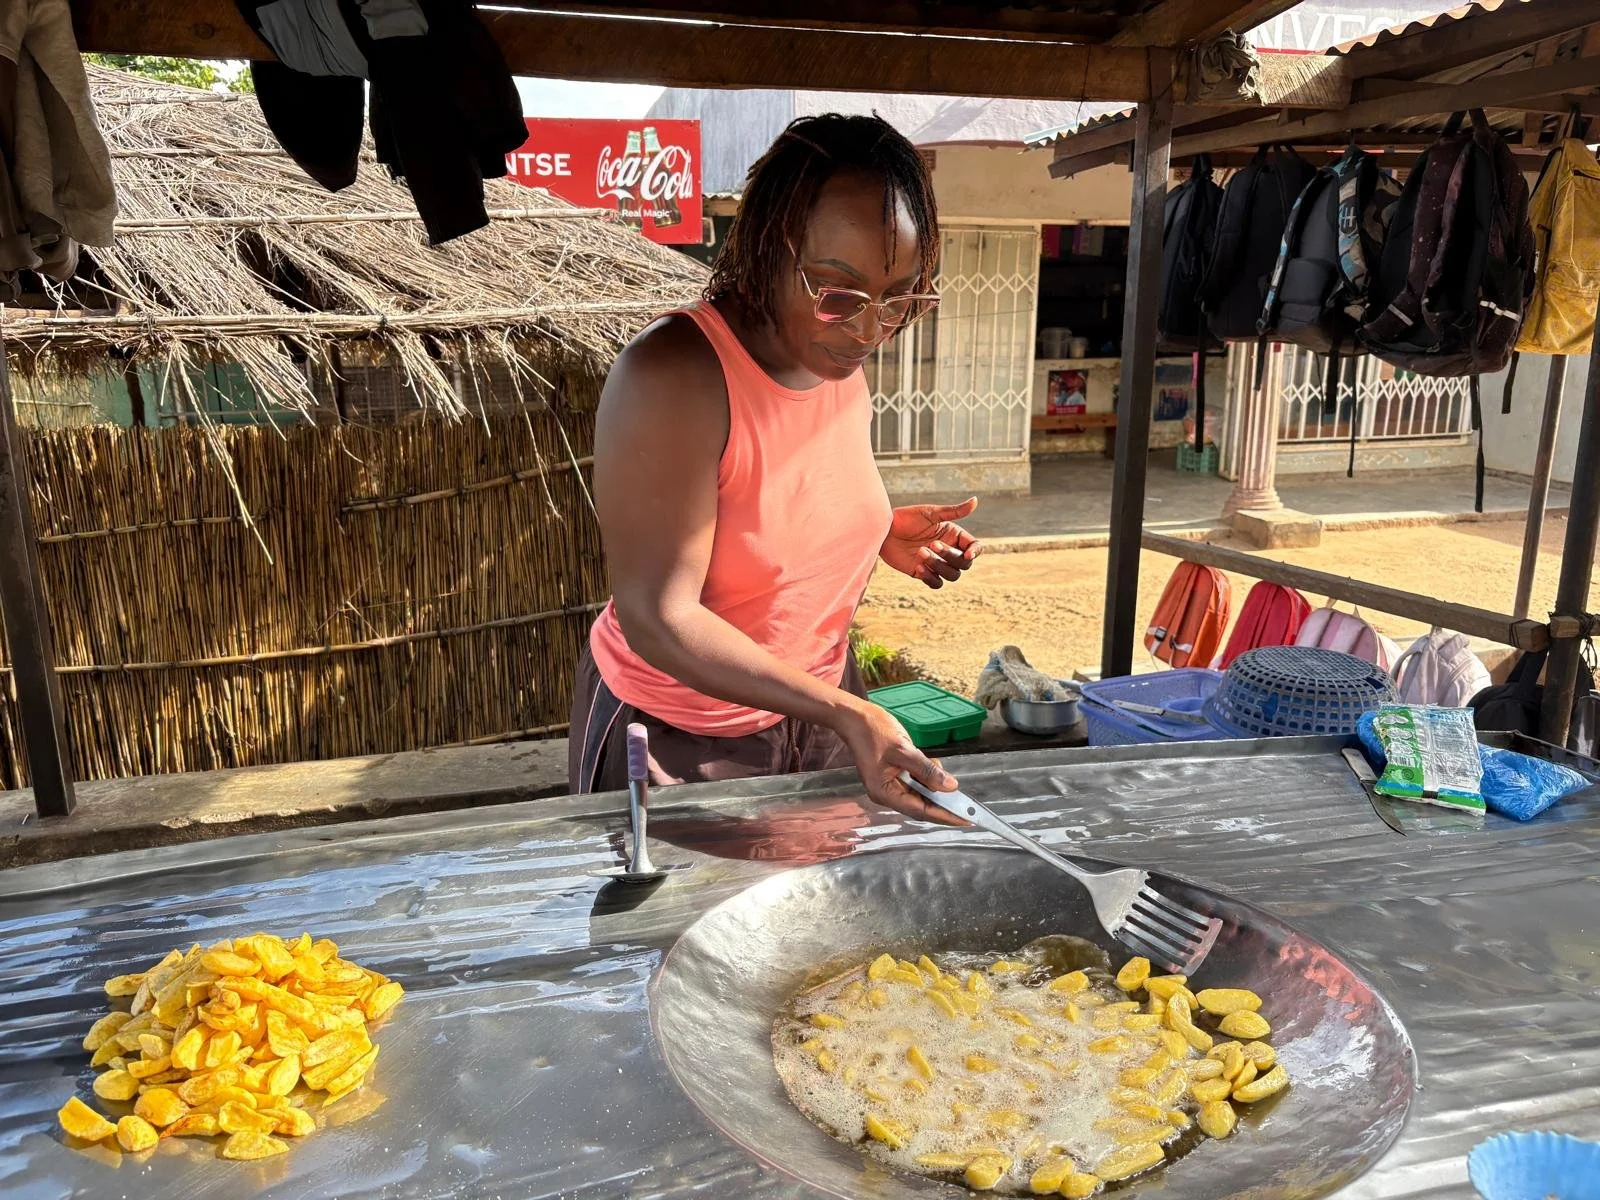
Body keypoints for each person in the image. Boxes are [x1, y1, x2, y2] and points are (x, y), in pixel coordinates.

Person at [568, 113, 982, 824]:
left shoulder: (832, 360)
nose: (868, 328)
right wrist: (848, 712)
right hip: (683, 740)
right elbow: (658, 615)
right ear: (767, 247)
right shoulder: (674, 373)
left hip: (812, 717)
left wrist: (878, 529)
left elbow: (781, 494)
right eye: (838, 292)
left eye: (899, 296)